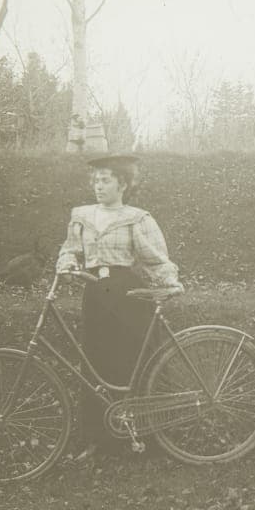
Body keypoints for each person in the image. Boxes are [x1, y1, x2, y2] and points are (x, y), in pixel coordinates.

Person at [56, 153, 183, 455]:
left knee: (132, 360)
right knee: (95, 363)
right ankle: (98, 438)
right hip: (95, 295)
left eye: (106, 180)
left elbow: (154, 257)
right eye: (96, 180)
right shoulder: (83, 216)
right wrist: (67, 264)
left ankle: (148, 436)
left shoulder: (137, 217)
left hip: (128, 296)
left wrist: (169, 283)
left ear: (123, 183)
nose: (99, 186)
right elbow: (70, 250)